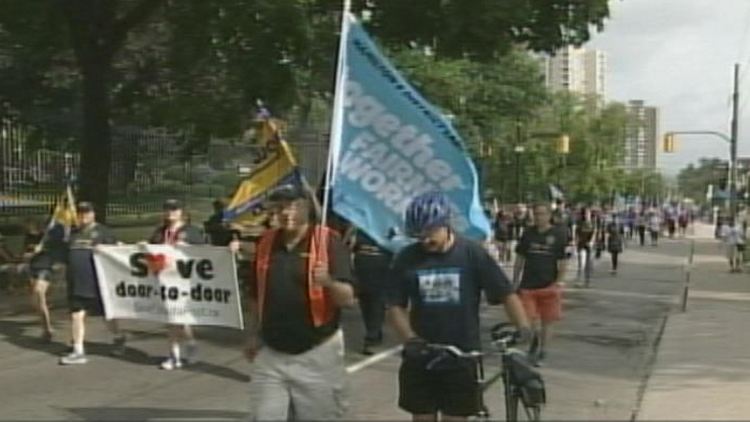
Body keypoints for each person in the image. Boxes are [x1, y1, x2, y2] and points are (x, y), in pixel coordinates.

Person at [387, 191, 532, 421]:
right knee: (422, 417)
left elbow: (505, 293)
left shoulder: (471, 254)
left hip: (461, 355)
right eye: (418, 235)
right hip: (422, 355)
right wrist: (410, 339)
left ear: (446, 225)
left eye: (430, 233)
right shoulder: (408, 258)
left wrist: (523, 326)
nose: (425, 240)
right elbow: (395, 305)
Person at [244, 185, 356, 421]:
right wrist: (253, 334)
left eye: (294, 206)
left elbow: (347, 299)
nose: (287, 213)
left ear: (308, 207)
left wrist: (327, 281)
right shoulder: (265, 243)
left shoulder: (328, 242)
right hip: (272, 352)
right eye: (281, 207)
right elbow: (255, 295)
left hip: (317, 352)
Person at [59, 201, 125, 365]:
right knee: (76, 314)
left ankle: (118, 337)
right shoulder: (73, 233)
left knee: (106, 314)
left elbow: (117, 251)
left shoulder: (102, 232)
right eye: (81, 213)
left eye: (87, 212)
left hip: (96, 281)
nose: (84, 216)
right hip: (76, 282)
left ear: (93, 214)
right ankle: (78, 350)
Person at [148, 199, 208, 370]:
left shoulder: (192, 231)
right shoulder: (160, 232)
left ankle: (175, 354)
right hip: (164, 279)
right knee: (174, 317)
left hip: (184, 280)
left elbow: (205, 254)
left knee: (176, 316)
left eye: (174, 209)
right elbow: (150, 249)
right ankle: (186, 346)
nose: (170, 213)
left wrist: (187, 247)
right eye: (167, 209)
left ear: (182, 212)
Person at [513, 203, 568, 366]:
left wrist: (559, 282)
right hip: (528, 285)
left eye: (542, 214)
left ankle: (543, 351)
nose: (538, 217)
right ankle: (534, 343)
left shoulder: (558, 234)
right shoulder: (528, 234)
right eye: (536, 214)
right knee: (528, 320)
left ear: (549, 216)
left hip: (549, 284)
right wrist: (515, 279)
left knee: (548, 320)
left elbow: (563, 260)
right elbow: (520, 258)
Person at [350, 228, 392, 356]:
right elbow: (351, 245)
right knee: (365, 299)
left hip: (381, 262)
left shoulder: (386, 224)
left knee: (376, 300)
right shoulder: (360, 226)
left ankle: (372, 337)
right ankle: (373, 331)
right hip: (361, 262)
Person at [26, 219, 68, 341]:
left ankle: (48, 329)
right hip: (33, 267)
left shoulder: (55, 237)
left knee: (39, 293)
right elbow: (26, 253)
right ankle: (46, 327)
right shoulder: (33, 237)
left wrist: (43, 249)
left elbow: (59, 250)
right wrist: (31, 253)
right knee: (36, 301)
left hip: (45, 267)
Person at [574, 208, 595, 287]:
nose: (587, 215)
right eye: (585, 213)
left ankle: (587, 281)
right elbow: (576, 233)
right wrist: (576, 242)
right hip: (581, 245)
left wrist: (591, 241)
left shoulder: (593, 222)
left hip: (589, 246)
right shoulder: (580, 222)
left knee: (589, 265)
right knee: (581, 264)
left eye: (588, 213)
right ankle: (578, 280)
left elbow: (595, 232)